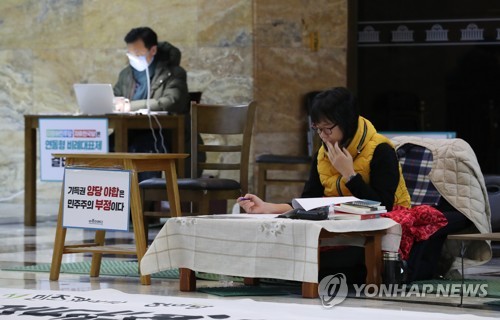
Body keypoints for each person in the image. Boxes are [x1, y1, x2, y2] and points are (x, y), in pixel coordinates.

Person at [238, 87, 412, 283]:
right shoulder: (323, 153)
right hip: (338, 226)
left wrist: (349, 174)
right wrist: (267, 207)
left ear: (347, 122)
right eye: (317, 129)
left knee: (331, 266)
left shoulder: (381, 149)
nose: (322, 135)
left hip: (377, 227)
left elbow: (384, 205)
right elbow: (309, 201)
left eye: (327, 128)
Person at [112, 27, 191, 179]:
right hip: (128, 134)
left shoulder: (172, 73)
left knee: (143, 154)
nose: (133, 57)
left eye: (138, 53)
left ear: (153, 50)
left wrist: (131, 106)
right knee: (104, 149)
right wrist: (114, 101)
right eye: (130, 53)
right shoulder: (127, 74)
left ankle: (140, 202)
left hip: (161, 136)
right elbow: (116, 95)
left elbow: (172, 101)